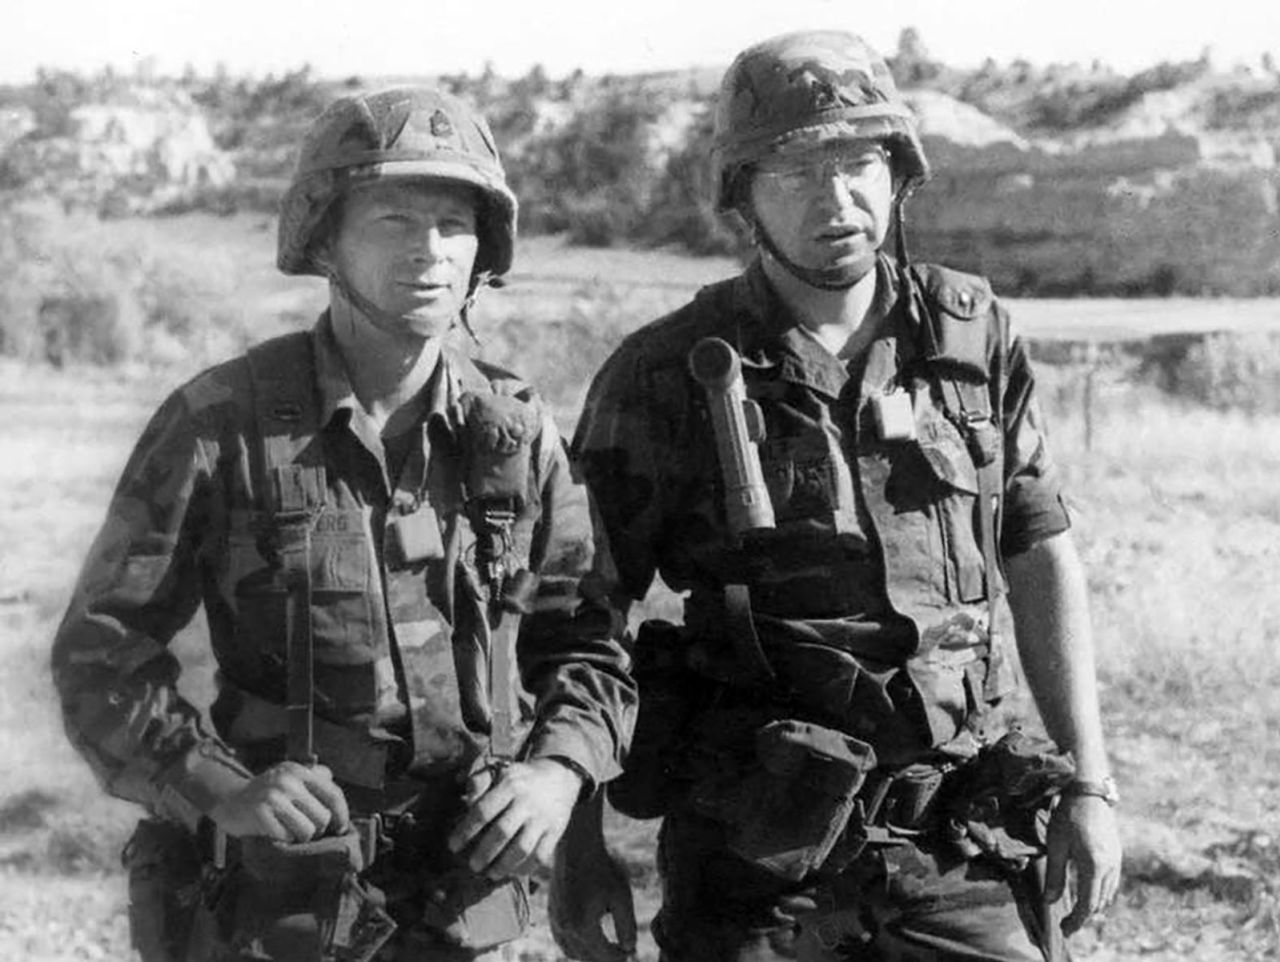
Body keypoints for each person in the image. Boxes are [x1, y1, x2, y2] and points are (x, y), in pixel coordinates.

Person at [553, 30, 1122, 962]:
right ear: (741, 199)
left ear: (899, 172)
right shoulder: (665, 374)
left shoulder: (970, 339)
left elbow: (1037, 547)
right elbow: (583, 613)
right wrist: (578, 850)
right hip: (756, 860)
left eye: (858, 161)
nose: (836, 198)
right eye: (794, 172)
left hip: (962, 838)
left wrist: (1089, 788)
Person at [51, 86, 635, 962]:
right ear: (325, 237)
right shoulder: (224, 423)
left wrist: (555, 773)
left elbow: (585, 643)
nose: (430, 252)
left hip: (456, 900)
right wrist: (215, 786)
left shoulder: (511, 434)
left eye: (454, 222)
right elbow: (101, 649)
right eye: (394, 219)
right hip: (278, 901)